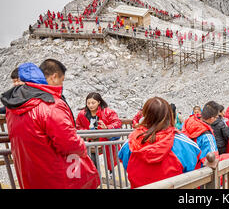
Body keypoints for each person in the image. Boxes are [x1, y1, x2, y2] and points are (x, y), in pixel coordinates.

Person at [0, 60, 100, 189]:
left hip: (30, 175)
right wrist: (82, 146)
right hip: (57, 175)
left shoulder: (13, 107)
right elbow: (69, 143)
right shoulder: (50, 104)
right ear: (53, 76)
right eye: (62, 80)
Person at [118, 97, 201, 189]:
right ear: (168, 115)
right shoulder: (184, 143)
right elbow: (194, 168)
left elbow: (126, 164)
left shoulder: (130, 142)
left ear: (145, 116)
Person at [76, 92, 122, 171]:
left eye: (93, 103)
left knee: (111, 159)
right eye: (88, 103)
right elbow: (77, 126)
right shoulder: (82, 114)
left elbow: (117, 123)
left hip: (105, 140)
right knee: (91, 161)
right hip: (90, 141)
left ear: (99, 102)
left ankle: (111, 172)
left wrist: (107, 128)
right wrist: (87, 134)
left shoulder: (108, 112)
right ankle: (96, 176)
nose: (90, 105)